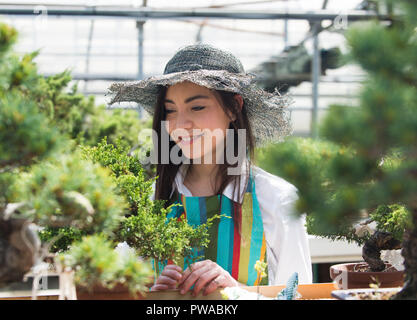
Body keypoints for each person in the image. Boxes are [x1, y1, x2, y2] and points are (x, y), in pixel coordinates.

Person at [108, 43, 312, 296]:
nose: (181, 124)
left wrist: (236, 290)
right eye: (170, 110)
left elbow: (300, 294)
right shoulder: (148, 201)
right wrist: (152, 293)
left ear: (234, 107)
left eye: (197, 107)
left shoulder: (277, 199)